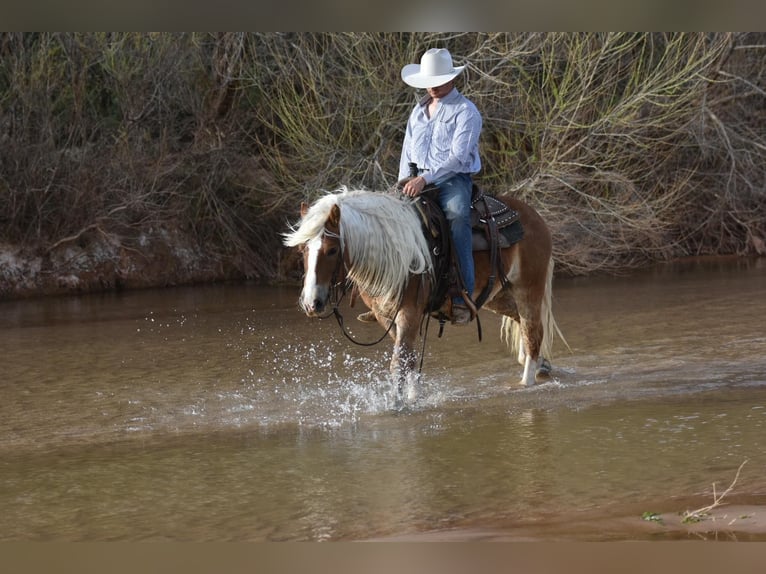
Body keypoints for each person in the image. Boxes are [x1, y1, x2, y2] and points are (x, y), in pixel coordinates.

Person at [399, 47, 482, 325]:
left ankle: (461, 296)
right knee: (391, 218)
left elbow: (458, 157)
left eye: (437, 80)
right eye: (429, 81)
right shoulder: (418, 112)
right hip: (416, 179)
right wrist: (403, 181)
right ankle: (392, 294)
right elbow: (407, 151)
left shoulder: (466, 112)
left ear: (451, 78)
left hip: (452, 179)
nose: (432, 86)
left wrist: (425, 179)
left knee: (457, 215)